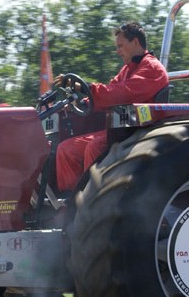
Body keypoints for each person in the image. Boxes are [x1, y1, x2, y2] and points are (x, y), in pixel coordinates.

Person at [54, 22, 169, 192]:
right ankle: (69, 201)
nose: (117, 51)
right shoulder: (127, 70)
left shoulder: (152, 68)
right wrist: (81, 104)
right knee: (66, 149)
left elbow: (121, 94)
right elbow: (109, 92)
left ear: (135, 42)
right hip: (121, 128)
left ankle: (90, 200)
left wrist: (86, 88)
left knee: (94, 147)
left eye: (120, 46)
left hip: (138, 130)